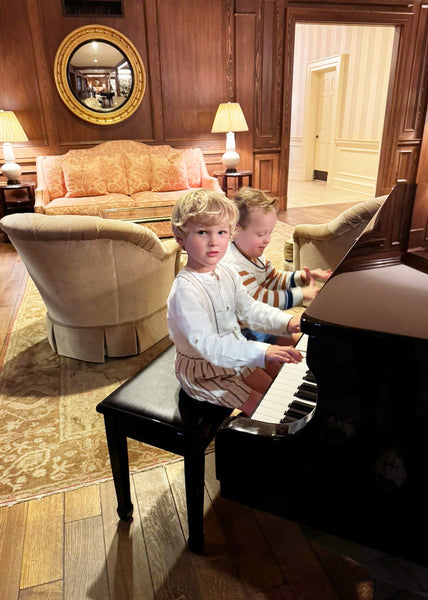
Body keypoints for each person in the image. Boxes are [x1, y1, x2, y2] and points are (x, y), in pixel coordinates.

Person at [167, 188, 303, 415]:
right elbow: (209, 345)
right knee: (264, 408)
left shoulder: (227, 272)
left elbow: (250, 309)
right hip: (204, 373)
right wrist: (262, 351)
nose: (214, 242)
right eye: (202, 232)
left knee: (277, 388)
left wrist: (287, 322)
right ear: (180, 237)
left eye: (221, 232)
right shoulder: (185, 291)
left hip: (235, 355)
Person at [221, 187, 332, 343]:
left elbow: (274, 279)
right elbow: (259, 300)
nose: (267, 239)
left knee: (296, 341)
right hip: (234, 333)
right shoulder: (233, 263)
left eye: (270, 232)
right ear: (235, 230)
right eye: (260, 234)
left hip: (254, 325)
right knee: (276, 359)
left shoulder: (254, 256)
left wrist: (302, 277)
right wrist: (301, 294)